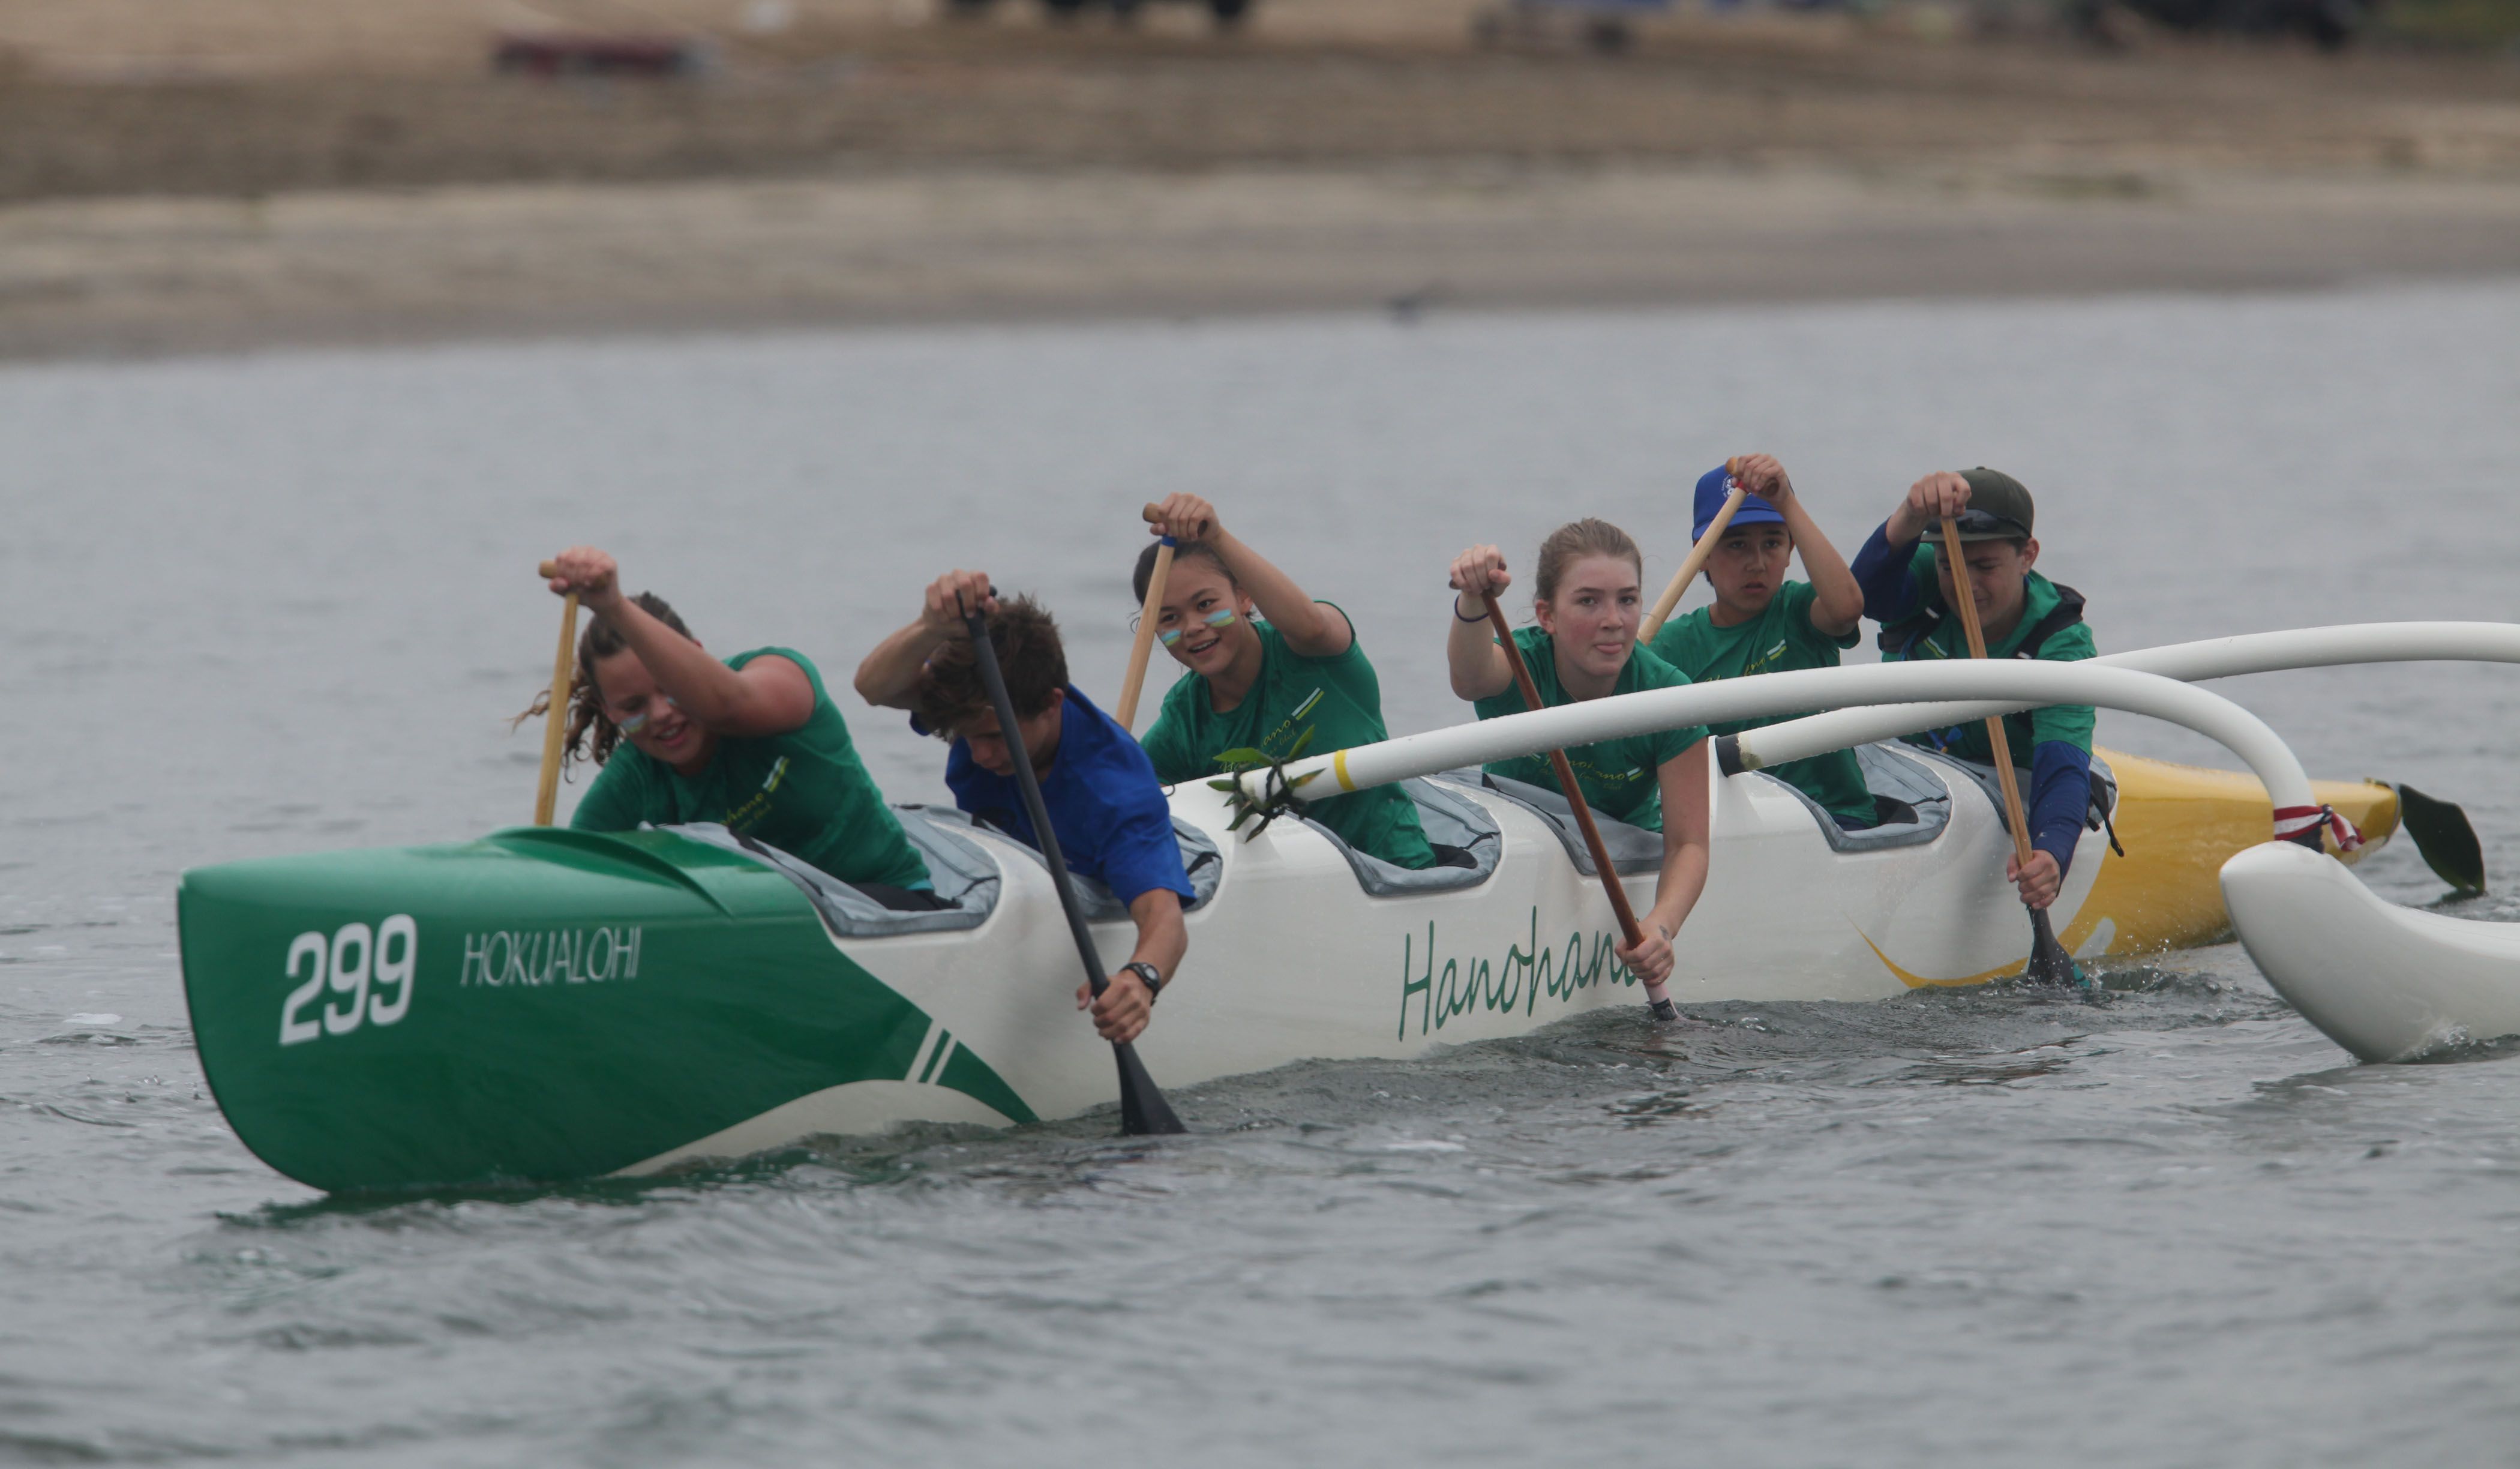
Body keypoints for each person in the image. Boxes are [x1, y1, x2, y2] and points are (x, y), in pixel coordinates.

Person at [856, 572, 1189, 1046]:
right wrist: (931, 626)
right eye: (966, 737)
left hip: (1077, 892)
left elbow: (1164, 917)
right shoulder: (984, 697)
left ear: (1052, 704)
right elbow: (874, 688)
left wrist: (1140, 978)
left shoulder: (1115, 790)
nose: (980, 756)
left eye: (994, 737)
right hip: (1001, 881)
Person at [536, 547, 937, 907]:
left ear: (695, 657)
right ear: (609, 712)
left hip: (889, 902)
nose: (660, 714)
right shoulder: (632, 781)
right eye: (633, 706)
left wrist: (614, 607)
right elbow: (570, 880)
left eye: (670, 689)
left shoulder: (782, 677)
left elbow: (726, 707)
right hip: (767, 939)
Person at [1445, 518, 1712, 988]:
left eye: (1627, 600)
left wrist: (1661, 926)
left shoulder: (1669, 697)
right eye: (1589, 601)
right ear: (1547, 616)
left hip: (1613, 856)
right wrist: (1473, 601)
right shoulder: (1520, 661)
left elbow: (1689, 844)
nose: (1614, 620)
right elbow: (1468, 678)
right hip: (1518, 854)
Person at [1134, 494, 1445, 871]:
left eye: (1204, 604)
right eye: (1169, 618)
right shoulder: (1183, 720)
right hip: (1292, 900)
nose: (1192, 627)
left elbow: (1311, 625)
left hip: (1399, 874)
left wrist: (1216, 536)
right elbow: (1127, 797)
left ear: (1244, 595)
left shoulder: (1313, 650)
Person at [1847, 468, 2096, 912]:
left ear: (2028, 555)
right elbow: (1862, 595)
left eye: (1985, 567)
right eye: (1951, 566)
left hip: (2006, 790)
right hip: (1904, 774)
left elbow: (2060, 763)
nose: (1967, 585)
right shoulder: (1922, 579)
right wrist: (1910, 513)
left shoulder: (2061, 641)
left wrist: (2051, 852)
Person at [1645, 454, 1877, 831]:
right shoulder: (1671, 648)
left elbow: (1847, 609)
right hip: (1731, 831)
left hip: (1835, 819)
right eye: (1736, 545)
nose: (1757, 562)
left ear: (1790, 551)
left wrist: (1785, 501)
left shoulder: (1799, 612)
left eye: (1772, 543)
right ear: (1701, 555)